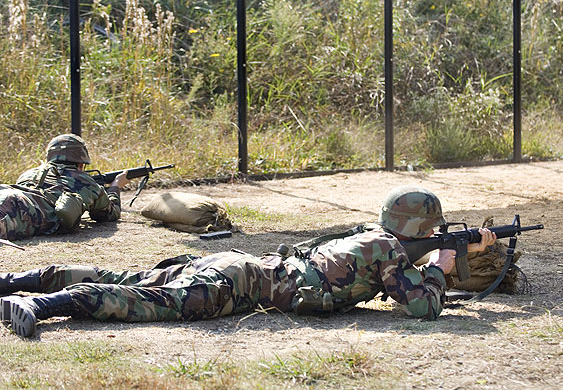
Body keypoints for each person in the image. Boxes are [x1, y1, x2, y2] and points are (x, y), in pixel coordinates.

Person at [0, 186, 497, 338]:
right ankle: (43, 304)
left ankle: (15, 279)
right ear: (421, 230)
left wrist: (434, 255)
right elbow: (420, 309)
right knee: (151, 301)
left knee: (127, 275)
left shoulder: (369, 238)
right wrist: (441, 266)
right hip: (241, 283)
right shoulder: (391, 252)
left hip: (238, 263)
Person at [0, 134, 130, 241]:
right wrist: (115, 186)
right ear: (80, 163)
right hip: (23, 210)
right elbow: (110, 214)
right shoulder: (86, 182)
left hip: (7, 192)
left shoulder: (29, 173)